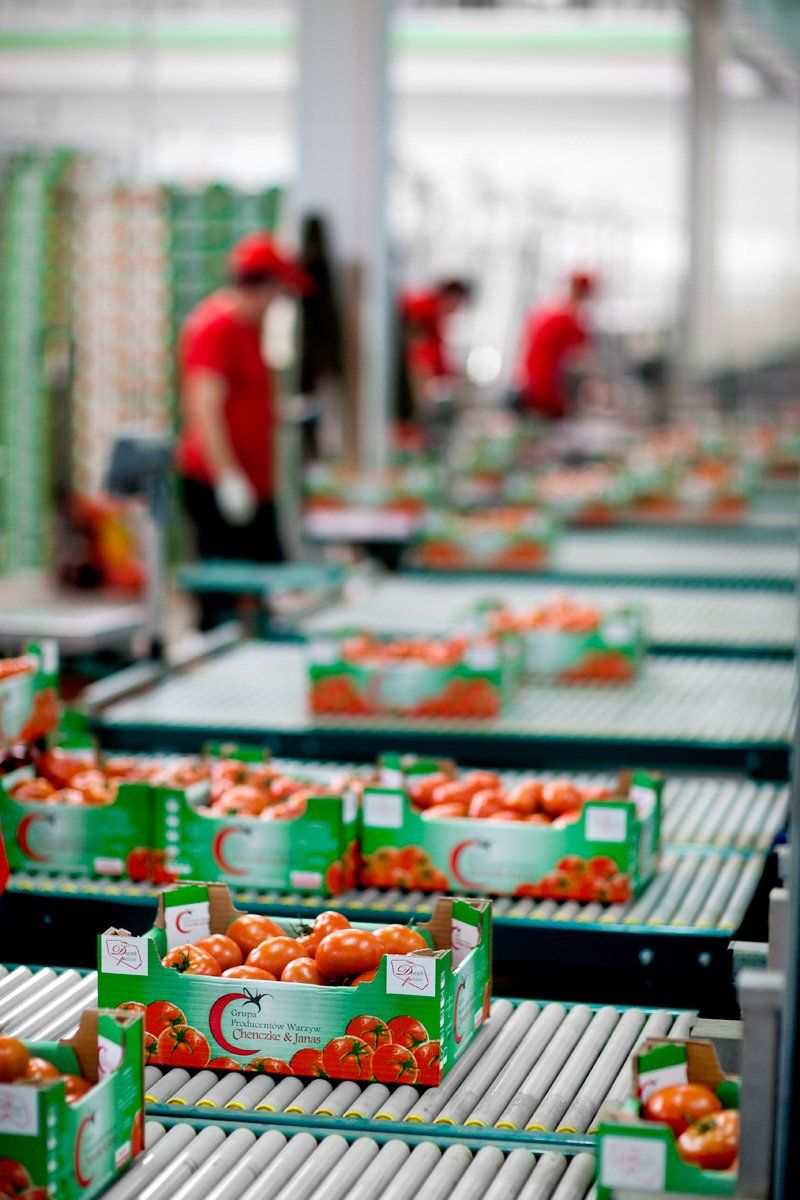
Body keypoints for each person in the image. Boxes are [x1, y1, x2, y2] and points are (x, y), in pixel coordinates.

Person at [176, 231, 312, 629]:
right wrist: (227, 477)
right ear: (264, 286)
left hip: (254, 483)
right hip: (218, 484)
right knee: (222, 598)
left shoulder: (249, 329)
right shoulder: (214, 327)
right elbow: (205, 408)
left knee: (266, 586)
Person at [515, 270, 597, 420]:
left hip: (530, 387)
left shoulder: (545, 312)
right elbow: (581, 357)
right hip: (547, 392)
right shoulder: (567, 319)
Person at [397, 278, 473, 422]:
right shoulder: (423, 307)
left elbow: (436, 350)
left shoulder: (435, 314)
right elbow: (422, 348)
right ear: (452, 296)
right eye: (457, 305)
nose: (455, 311)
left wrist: (448, 372)